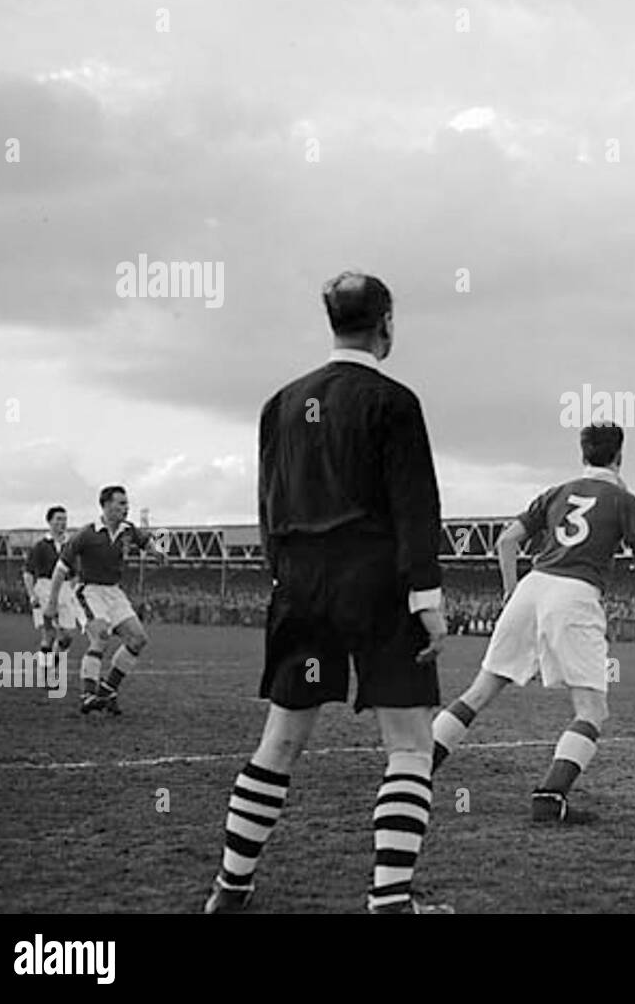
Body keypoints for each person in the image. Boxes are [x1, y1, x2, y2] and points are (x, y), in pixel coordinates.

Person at [204, 271, 450, 914]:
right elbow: (416, 507)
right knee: (409, 745)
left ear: (331, 322)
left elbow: (267, 502)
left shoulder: (280, 403)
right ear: (386, 323)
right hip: (377, 585)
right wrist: (427, 598)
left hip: (301, 584)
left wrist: (282, 576)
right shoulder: (394, 402)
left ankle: (231, 888)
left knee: (280, 740)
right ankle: (391, 901)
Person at [431, 423, 635, 823]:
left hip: (531, 588)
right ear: (620, 456)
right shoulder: (626, 500)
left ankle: (413, 773)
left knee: (480, 690)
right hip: (575, 594)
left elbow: (506, 541)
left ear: (582, 454)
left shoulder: (556, 492)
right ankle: (550, 796)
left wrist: (509, 592)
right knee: (591, 709)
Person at [44, 487, 165, 714]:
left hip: (114, 592)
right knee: (101, 636)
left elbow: (147, 540)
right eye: (120, 503)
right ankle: (87, 694)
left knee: (138, 639)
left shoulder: (128, 530)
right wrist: (51, 603)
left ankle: (108, 689)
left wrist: (156, 552)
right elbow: (60, 570)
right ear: (106, 505)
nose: (125, 508)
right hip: (89, 591)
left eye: (126, 503)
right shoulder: (86, 534)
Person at [23, 506, 84, 681]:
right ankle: (45, 674)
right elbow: (28, 573)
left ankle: (51, 665)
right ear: (49, 522)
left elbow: (76, 573)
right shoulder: (41, 546)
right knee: (48, 634)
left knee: (67, 637)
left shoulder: (71, 546)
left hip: (64, 589)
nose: (62, 523)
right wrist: (32, 595)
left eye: (64, 519)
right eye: (58, 519)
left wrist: (71, 591)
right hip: (44, 587)